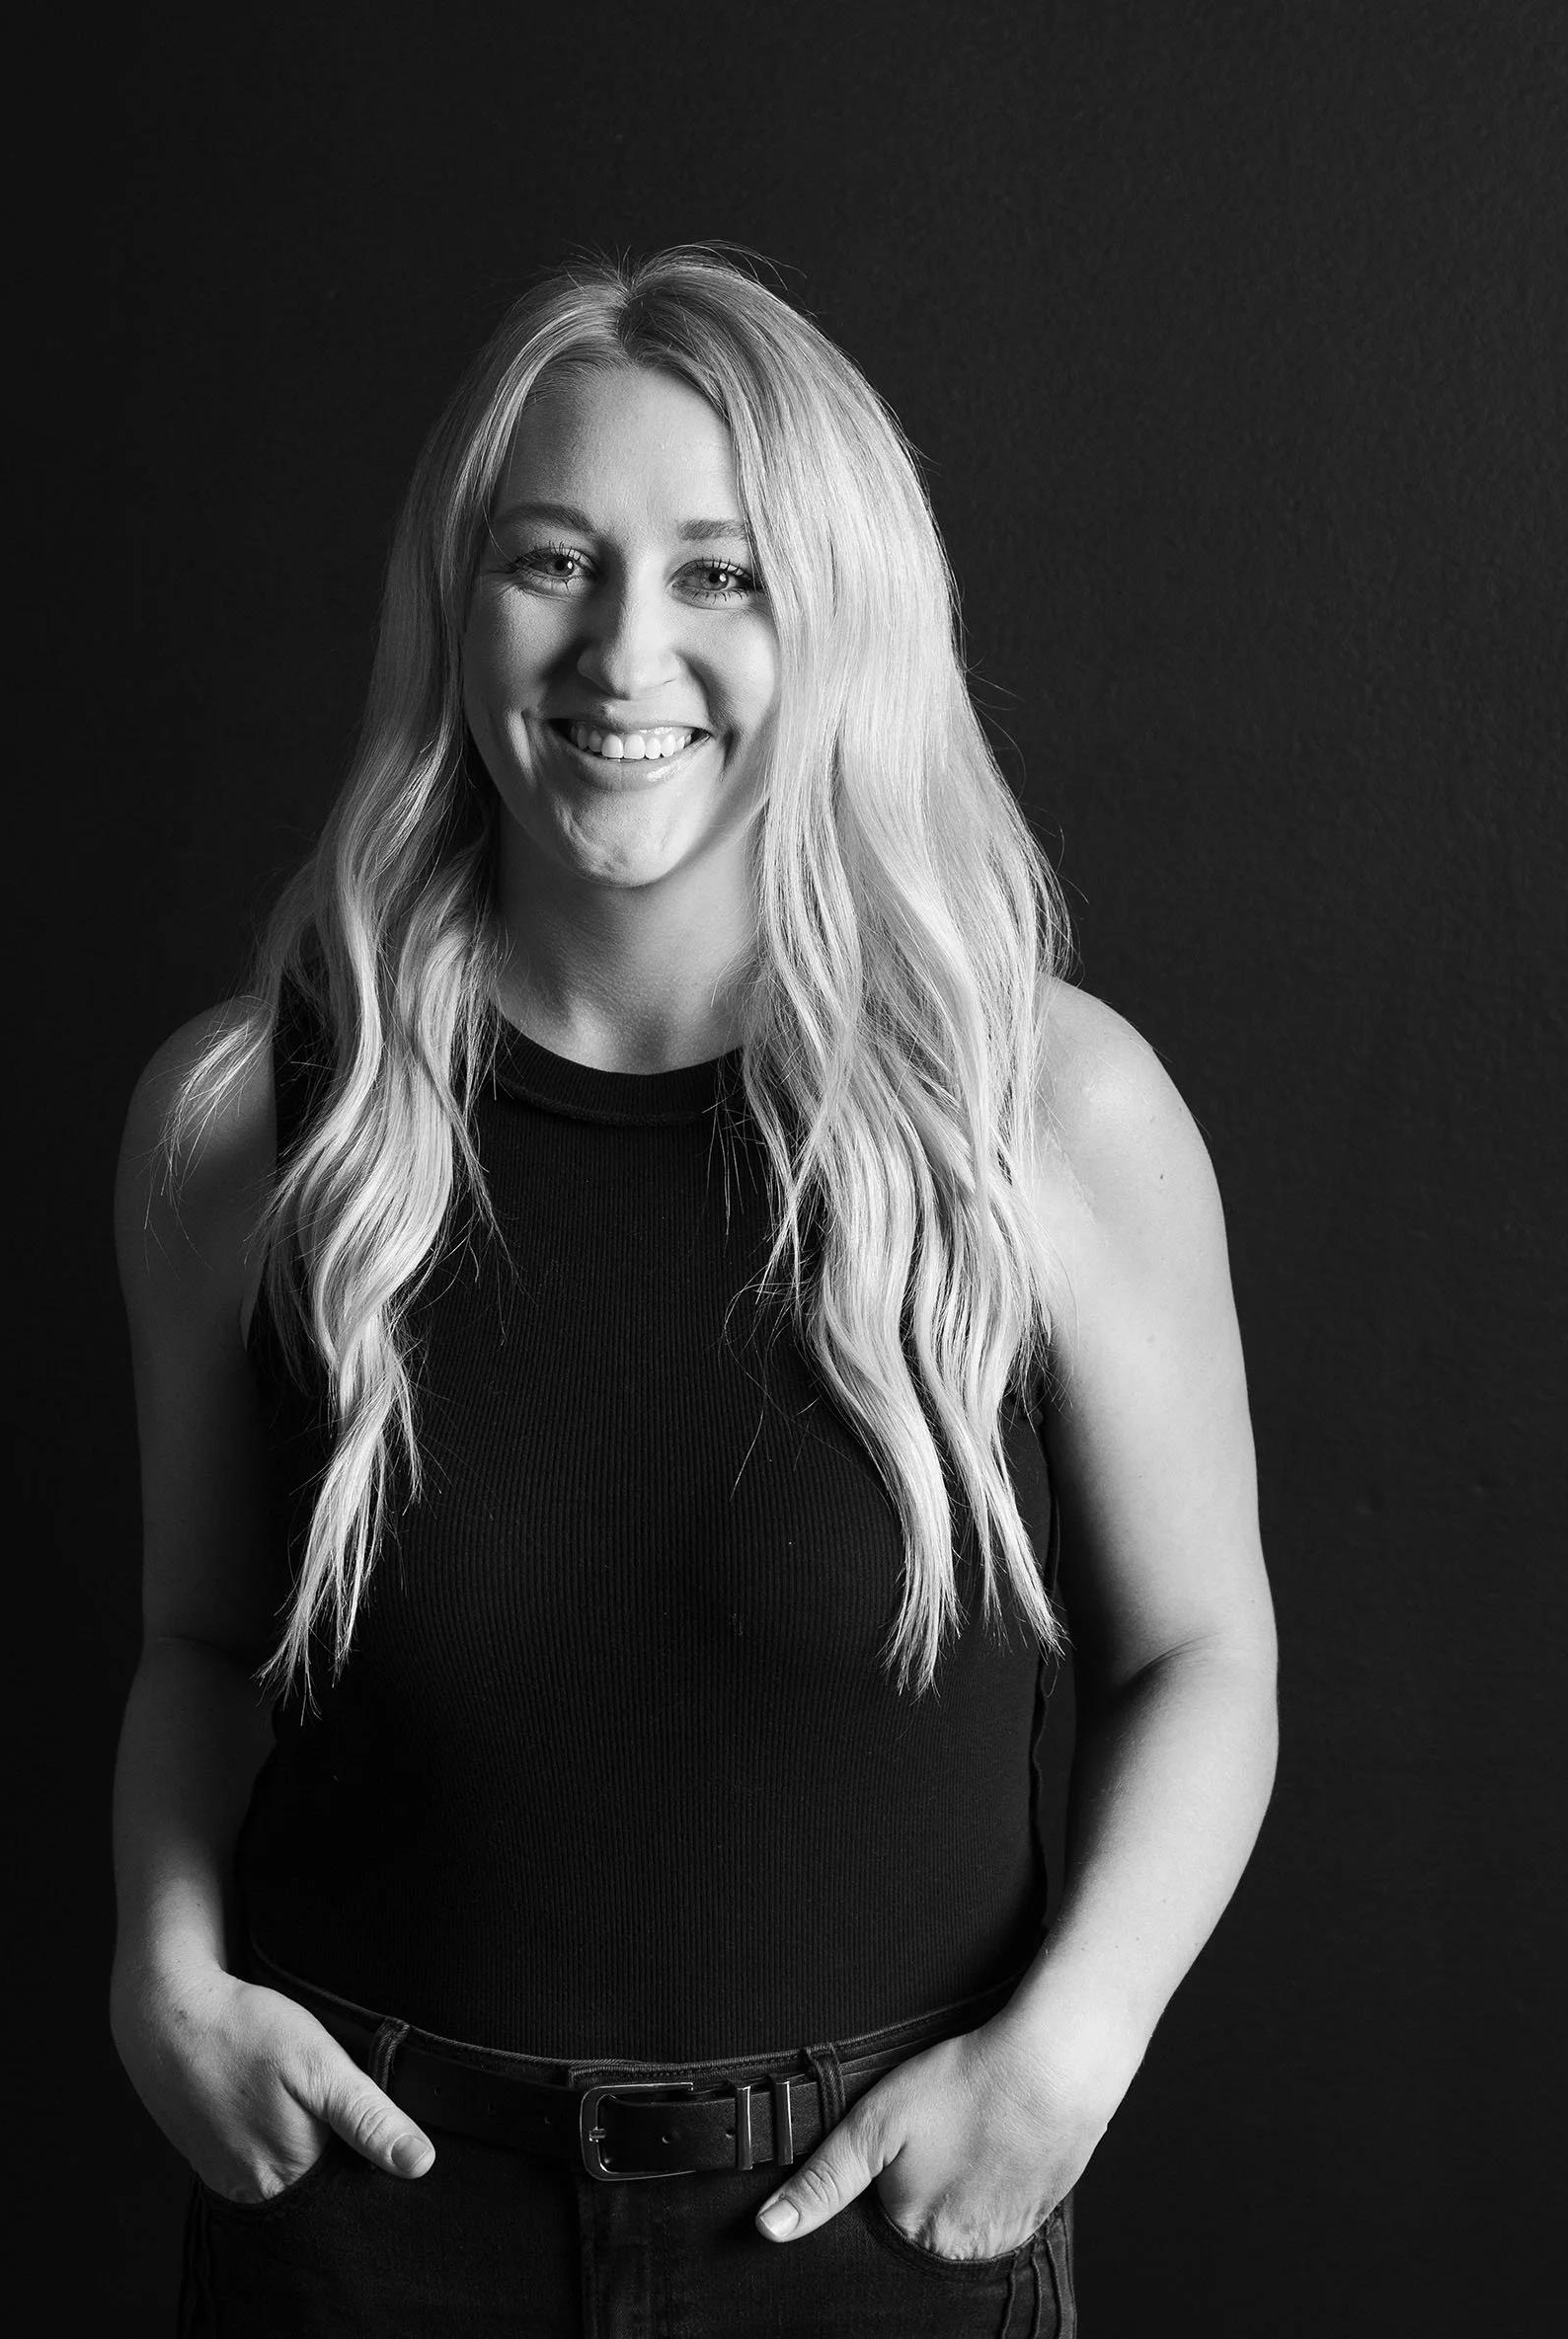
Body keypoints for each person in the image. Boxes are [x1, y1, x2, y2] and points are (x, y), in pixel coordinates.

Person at [111, 247, 1278, 2336]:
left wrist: (1072, 2043)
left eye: (720, 574)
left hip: (871, 2237)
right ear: (457, 601)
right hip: (365, 2230)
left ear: (838, 615)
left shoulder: (1042, 1111)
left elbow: (1199, 1653)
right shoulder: (249, 1122)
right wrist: (163, 1973)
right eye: (550, 560)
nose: (620, 648)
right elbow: (200, 1646)